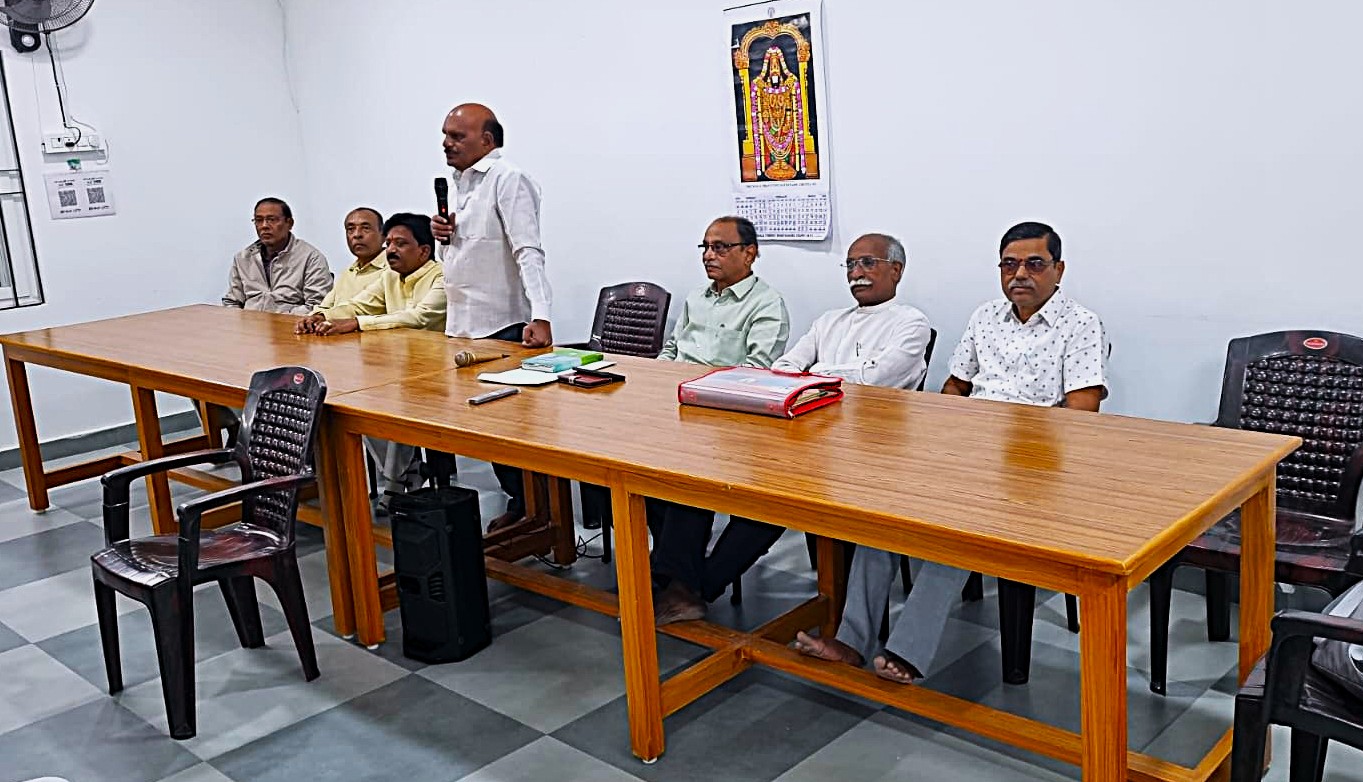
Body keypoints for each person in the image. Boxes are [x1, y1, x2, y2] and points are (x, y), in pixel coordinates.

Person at [794, 221, 1108, 683]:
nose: (1020, 274)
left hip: (1030, 463)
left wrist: (1008, 446)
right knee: (882, 509)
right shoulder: (985, 317)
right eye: (1009, 264)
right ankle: (850, 639)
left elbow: (1082, 413)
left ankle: (908, 649)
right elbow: (955, 386)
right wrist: (948, 438)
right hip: (966, 447)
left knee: (956, 529)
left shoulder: (1081, 325)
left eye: (1034, 264)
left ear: (1058, 270)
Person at [649, 215, 790, 624]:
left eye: (720, 247)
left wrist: (698, 393)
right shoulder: (697, 298)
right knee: (636, 475)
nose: (709, 255)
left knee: (687, 482)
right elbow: (671, 351)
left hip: (731, 422)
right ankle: (682, 581)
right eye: (705, 247)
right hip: (680, 412)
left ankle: (686, 584)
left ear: (750, 253)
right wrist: (656, 383)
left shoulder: (766, 304)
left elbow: (756, 372)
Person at [430, 103, 553, 532]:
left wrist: (539, 314)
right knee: (487, 429)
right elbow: (466, 256)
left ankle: (536, 513)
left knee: (511, 429)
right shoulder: (458, 186)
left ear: (487, 140)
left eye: (457, 136)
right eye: (445, 135)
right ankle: (524, 508)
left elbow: (527, 249)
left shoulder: (508, 179)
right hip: (462, 324)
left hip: (502, 323)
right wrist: (443, 238)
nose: (447, 143)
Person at [296, 213, 446, 507]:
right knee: (355, 398)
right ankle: (401, 475)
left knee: (384, 399)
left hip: (436, 373)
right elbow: (358, 304)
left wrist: (358, 323)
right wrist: (321, 315)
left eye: (400, 244)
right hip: (394, 366)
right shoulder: (389, 276)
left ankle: (396, 480)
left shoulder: (441, 276)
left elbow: (419, 317)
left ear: (424, 251)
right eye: (389, 243)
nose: (390, 250)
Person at [772, 232, 931, 389]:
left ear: (895, 270)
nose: (855, 274)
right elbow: (782, 366)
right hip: (815, 409)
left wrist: (814, 370)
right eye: (850, 265)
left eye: (868, 263)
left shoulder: (912, 323)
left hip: (877, 413)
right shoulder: (828, 321)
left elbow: (873, 380)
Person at [223, 197, 332, 313]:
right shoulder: (243, 258)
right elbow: (232, 302)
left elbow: (317, 306)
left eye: (272, 220)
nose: (264, 226)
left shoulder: (311, 258)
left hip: (291, 327)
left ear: (289, 223)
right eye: (258, 220)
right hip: (248, 326)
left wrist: (277, 322)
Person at [314, 207, 388, 313]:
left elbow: (361, 310)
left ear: (384, 235)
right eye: (350, 229)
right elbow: (324, 307)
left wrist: (325, 317)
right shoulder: (349, 272)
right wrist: (312, 318)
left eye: (366, 228)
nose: (357, 235)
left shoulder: (394, 270)